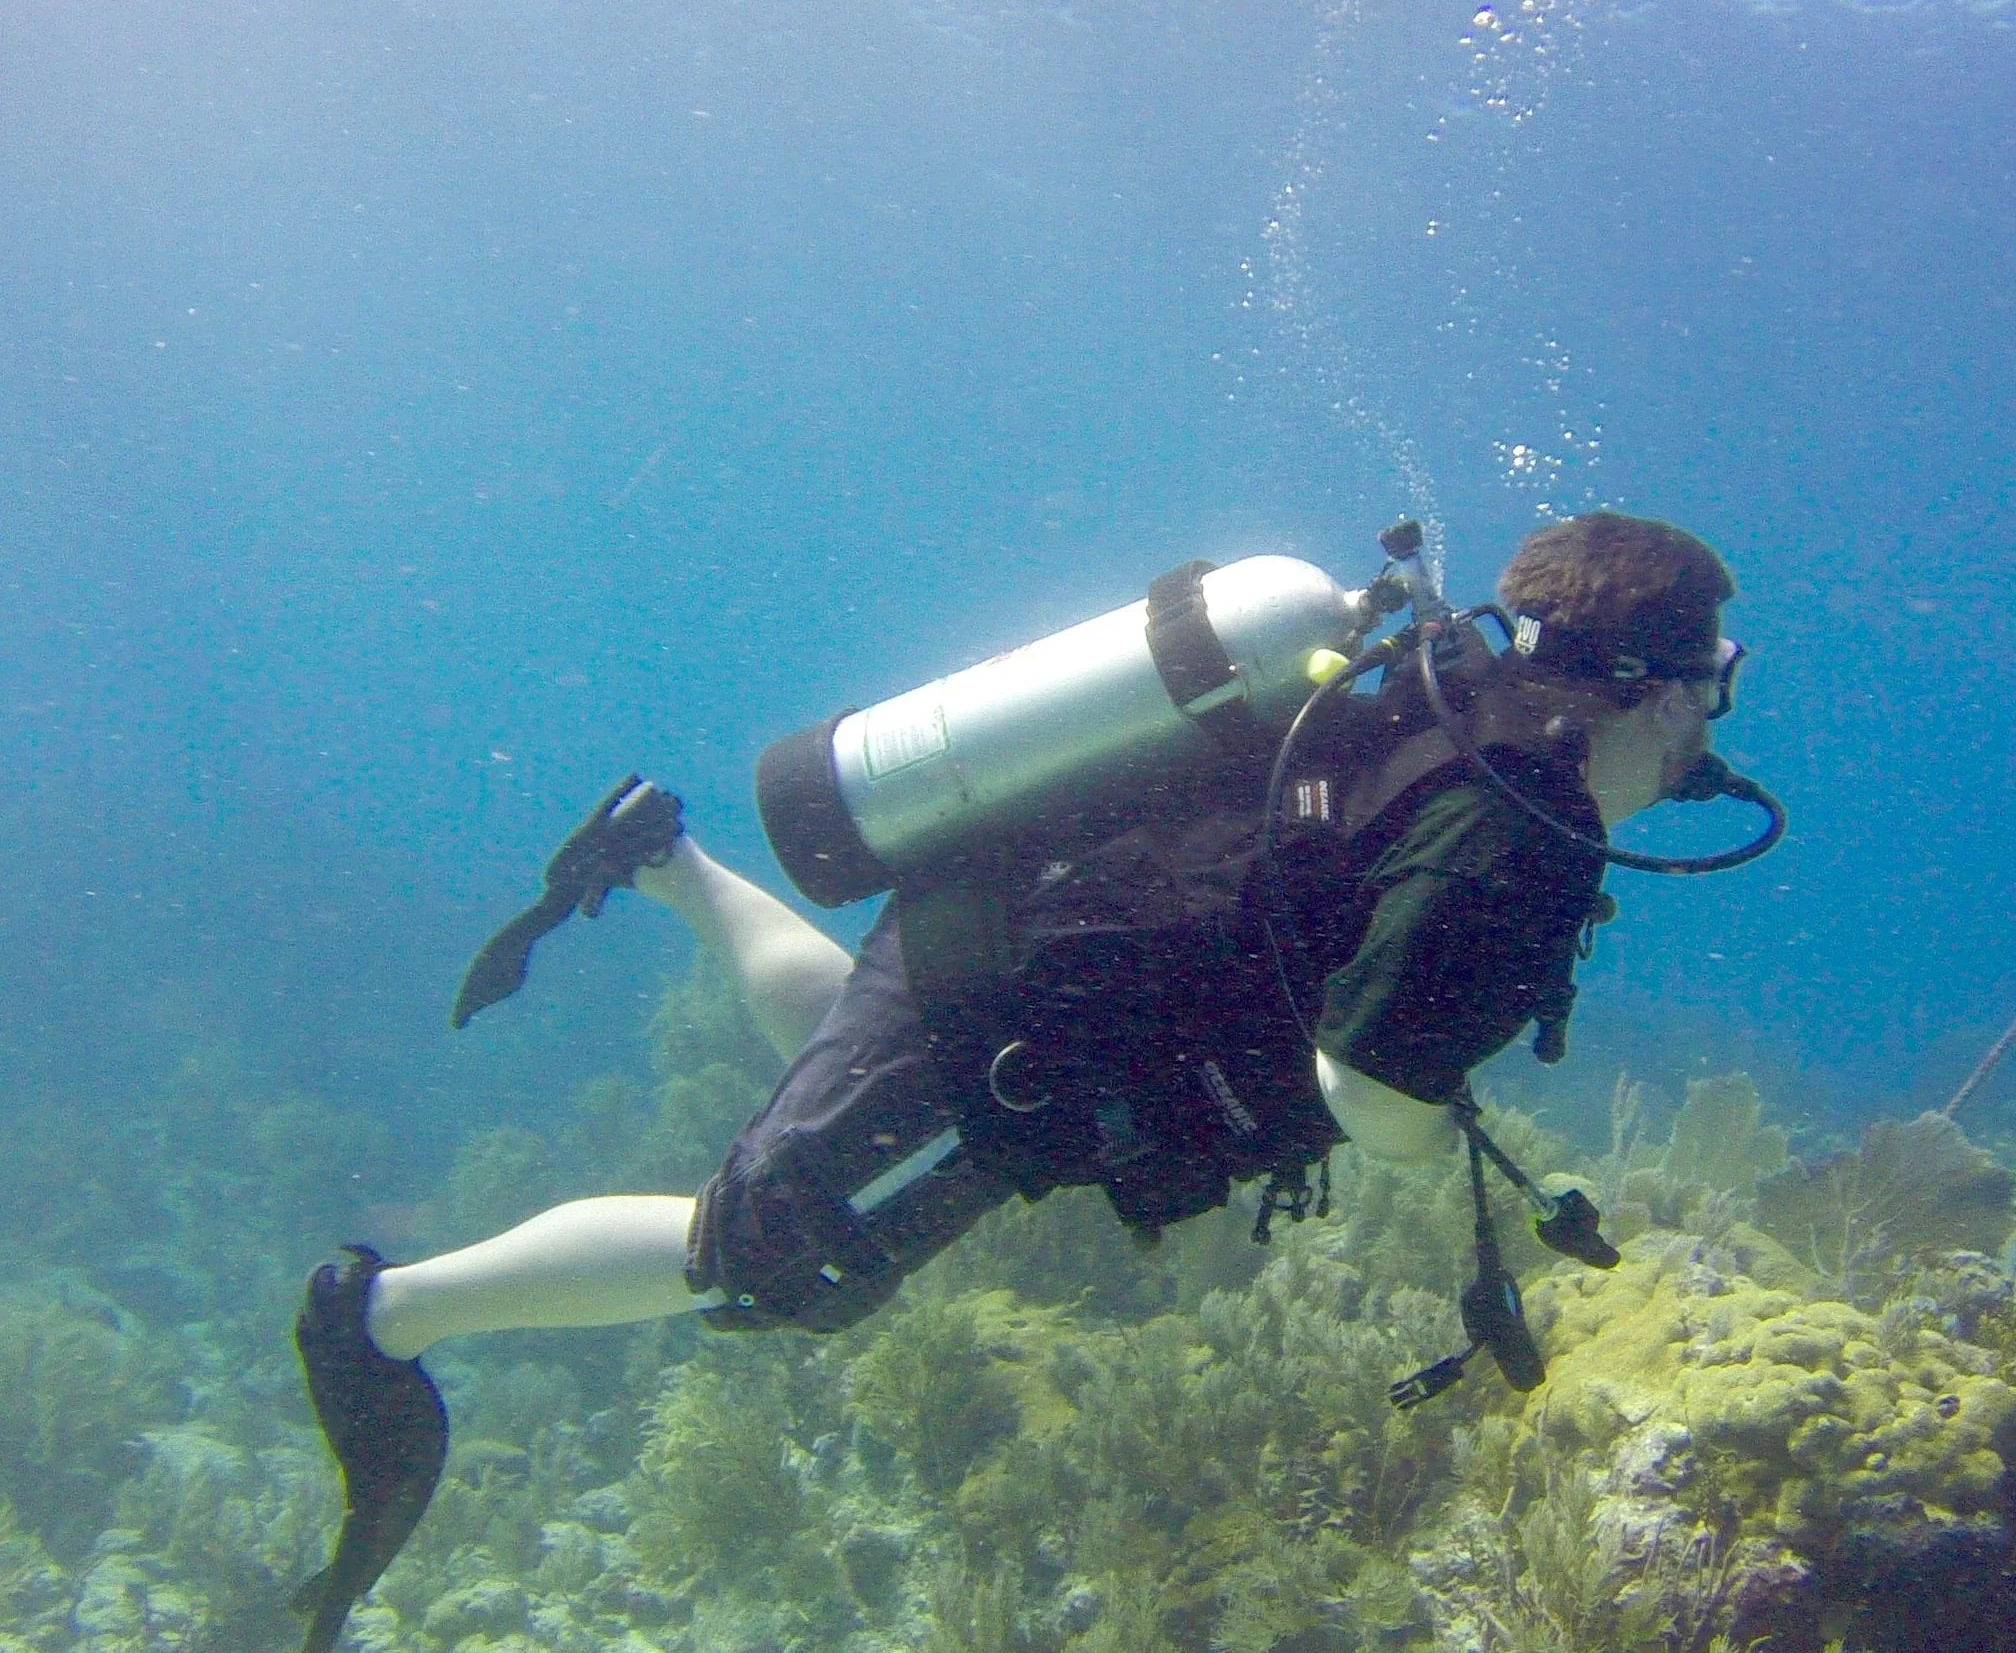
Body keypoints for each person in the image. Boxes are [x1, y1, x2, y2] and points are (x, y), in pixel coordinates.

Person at [287, 512, 1776, 1650]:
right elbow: (1371, 1086)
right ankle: (378, 1315)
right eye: (1718, 678)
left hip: (1017, 940)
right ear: (1648, 680)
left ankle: (659, 858)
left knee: (857, 1055)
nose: (1717, 719)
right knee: (756, 1255)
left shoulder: (1454, 692)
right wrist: (1415, 1129)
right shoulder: (1519, 827)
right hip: (1027, 1012)